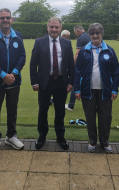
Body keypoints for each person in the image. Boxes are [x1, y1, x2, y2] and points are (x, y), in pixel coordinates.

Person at [0, 8, 26, 156]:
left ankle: (11, 136)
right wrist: (3, 75)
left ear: (12, 19)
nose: (5, 20)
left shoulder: (18, 36)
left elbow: (22, 57)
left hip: (14, 81)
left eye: (8, 18)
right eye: (2, 18)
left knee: (12, 110)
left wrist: (13, 74)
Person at [74, 23, 119, 153]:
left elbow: (115, 71)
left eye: (97, 33)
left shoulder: (109, 50)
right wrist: (77, 89)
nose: (95, 35)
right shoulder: (84, 50)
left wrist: (114, 89)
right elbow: (77, 70)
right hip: (87, 90)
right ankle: (92, 140)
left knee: (105, 116)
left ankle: (104, 141)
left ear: (101, 34)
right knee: (90, 116)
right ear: (89, 35)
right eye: (93, 33)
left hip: (105, 90)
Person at [30, 17, 74, 150]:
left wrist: (71, 81)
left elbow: (71, 65)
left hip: (61, 81)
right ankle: (42, 136)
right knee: (43, 110)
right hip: (45, 82)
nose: (54, 29)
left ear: (60, 28)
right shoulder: (39, 42)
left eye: (56, 27)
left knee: (60, 111)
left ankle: (60, 136)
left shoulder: (66, 43)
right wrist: (34, 82)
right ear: (47, 27)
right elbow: (33, 64)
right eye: (51, 27)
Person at [65, 25, 91, 112]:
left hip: (81, 64)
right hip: (89, 64)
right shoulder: (88, 36)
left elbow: (77, 53)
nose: (74, 33)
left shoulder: (80, 38)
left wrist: (72, 64)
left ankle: (70, 105)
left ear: (77, 30)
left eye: (75, 32)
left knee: (75, 84)